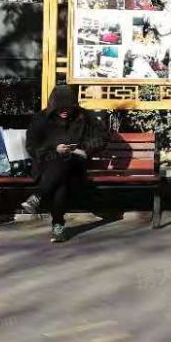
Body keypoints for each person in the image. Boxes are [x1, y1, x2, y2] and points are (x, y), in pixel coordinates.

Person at [21, 84, 107, 242]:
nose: (65, 111)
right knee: (61, 176)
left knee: (64, 164)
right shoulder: (41, 119)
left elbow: (102, 136)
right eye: (60, 108)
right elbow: (32, 147)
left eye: (68, 108)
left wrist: (83, 149)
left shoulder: (83, 117)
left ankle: (39, 196)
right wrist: (54, 148)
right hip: (46, 165)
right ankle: (57, 227)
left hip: (75, 165)